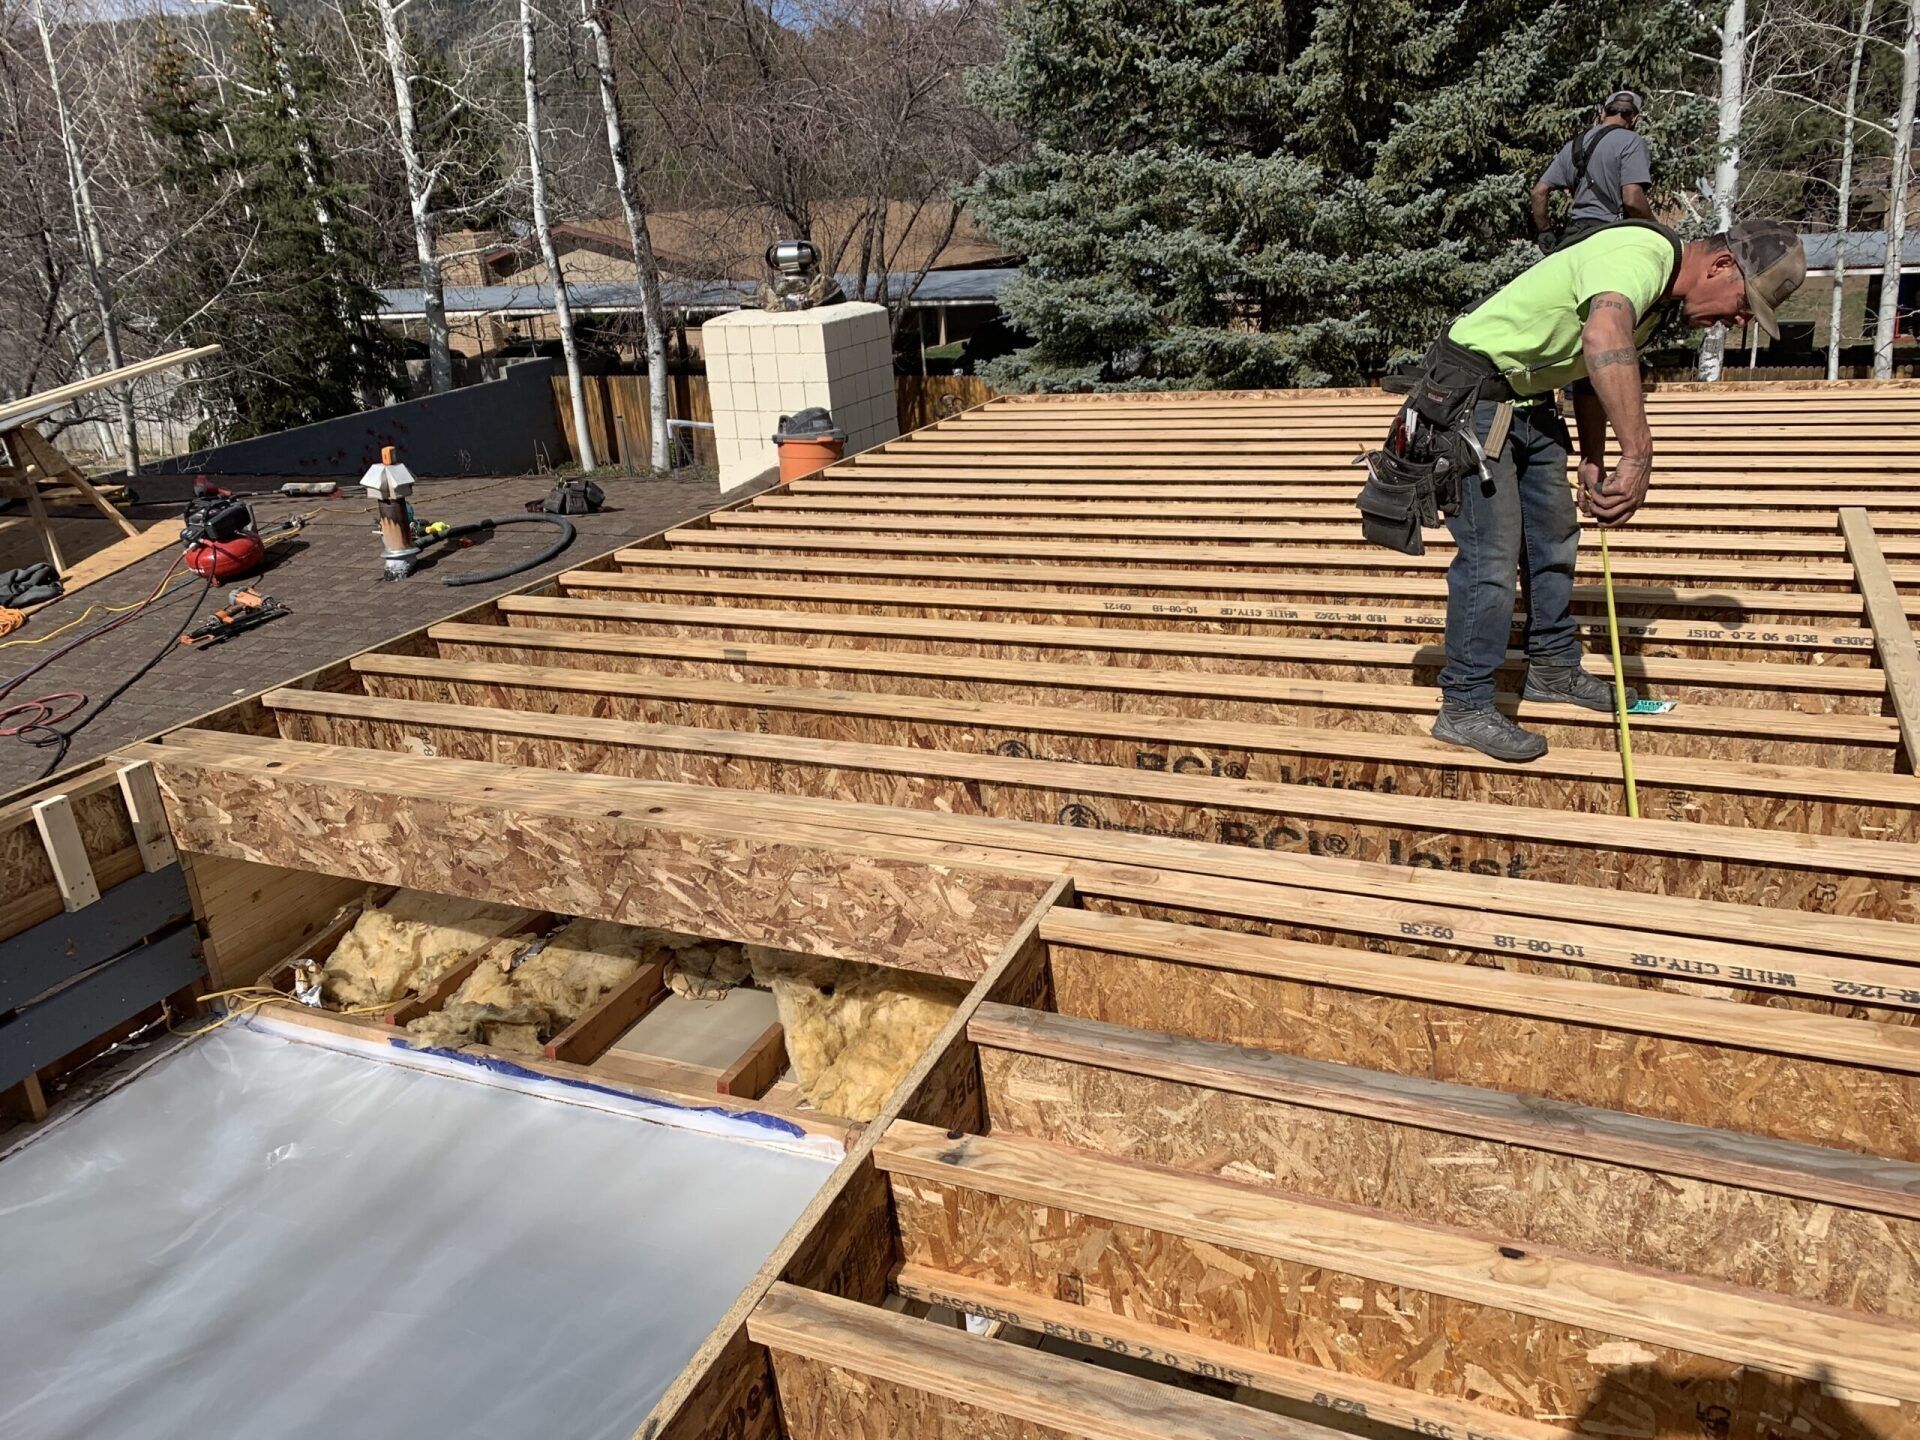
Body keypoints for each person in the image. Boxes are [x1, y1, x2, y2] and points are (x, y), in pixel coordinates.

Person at [1408, 220, 1806, 763]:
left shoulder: (1657, 301)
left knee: (1553, 541)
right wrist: (1637, 455)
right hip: (1472, 395)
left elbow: (1591, 370)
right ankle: (1465, 705)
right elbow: (1603, 338)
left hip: (1528, 402)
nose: (1737, 319)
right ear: (1720, 265)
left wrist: (1592, 456)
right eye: (1744, 302)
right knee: (1491, 558)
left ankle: (1551, 667)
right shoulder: (1641, 254)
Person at [1532, 91, 1653, 253]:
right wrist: (1656, 227)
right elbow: (1632, 199)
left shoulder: (1572, 146)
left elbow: (1538, 193)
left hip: (1574, 237)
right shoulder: (1632, 141)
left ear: (1602, 113)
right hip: (1611, 237)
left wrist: (1545, 231)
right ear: (1634, 119)